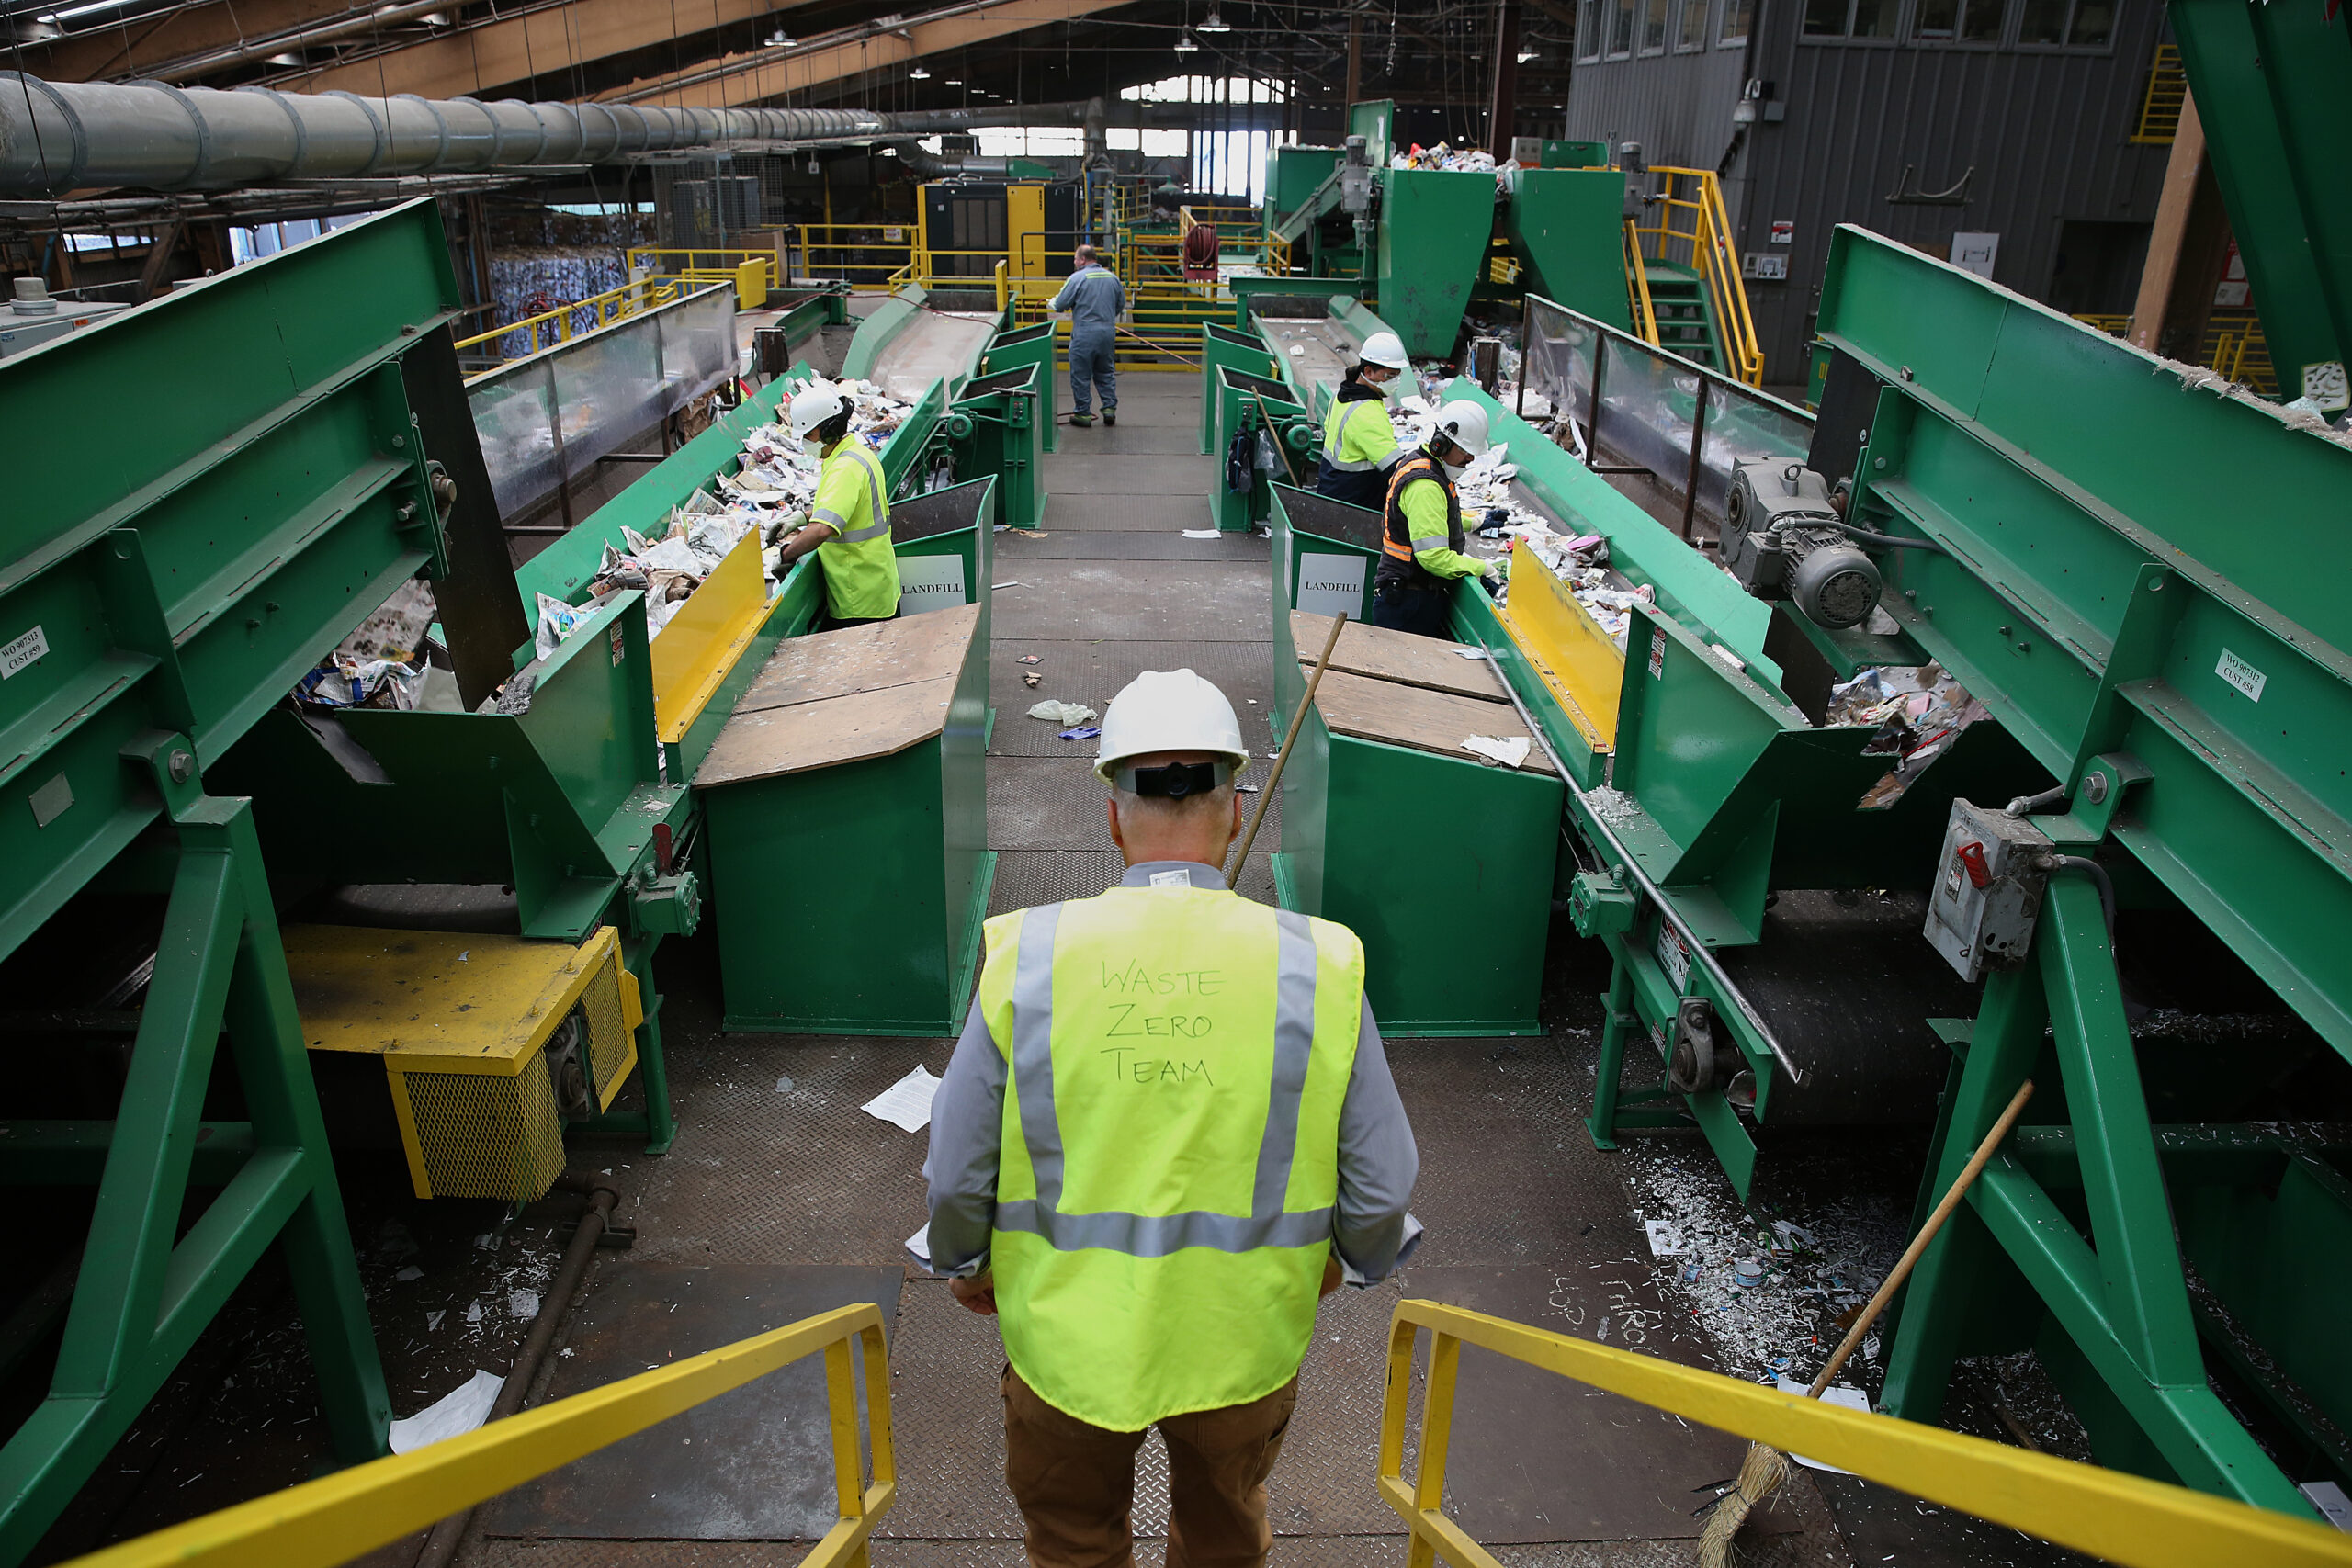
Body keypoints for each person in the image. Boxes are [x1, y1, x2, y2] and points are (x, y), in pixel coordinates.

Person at [924, 668, 1421, 1568]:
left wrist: (965, 1264)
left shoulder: (1026, 956)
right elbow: (1381, 1188)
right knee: (1224, 1540)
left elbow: (956, 1169)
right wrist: (1344, 1261)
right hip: (1243, 1344)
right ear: (1235, 811)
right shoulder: (1318, 965)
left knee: (1074, 1544)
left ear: (1111, 815)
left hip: (1067, 1352)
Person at [1371, 399, 1501, 639]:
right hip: (1408, 603)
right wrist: (1482, 568)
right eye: (1466, 452)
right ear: (1442, 444)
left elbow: (1432, 516)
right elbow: (1433, 557)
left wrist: (1475, 522)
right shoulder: (1425, 484)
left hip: (1408, 596)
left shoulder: (1423, 463)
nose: (1470, 460)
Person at [775, 380, 899, 630]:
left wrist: (786, 555)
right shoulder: (856, 454)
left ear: (829, 429)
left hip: (859, 595)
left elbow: (823, 529)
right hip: (875, 583)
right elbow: (845, 507)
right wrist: (802, 516)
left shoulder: (845, 468)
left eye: (810, 436)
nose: (806, 444)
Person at [1314, 330, 1411, 511]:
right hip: (1354, 507)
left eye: (1398, 375)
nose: (1395, 381)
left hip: (1332, 494)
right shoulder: (1366, 413)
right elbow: (1397, 469)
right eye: (1389, 376)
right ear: (1368, 371)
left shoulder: (1343, 395)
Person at [1050, 243, 1125, 428]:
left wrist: (1051, 302)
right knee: (1105, 371)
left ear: (1083, 259)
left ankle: (1083, 413)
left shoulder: (1077, 278)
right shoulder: (1113, 278)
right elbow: (1120, 304)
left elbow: (1060, 305)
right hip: (1107, 332)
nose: (1075, 262)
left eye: (1076, 259)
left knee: (1081, 374)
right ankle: (1109, 409)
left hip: (1085, 333)